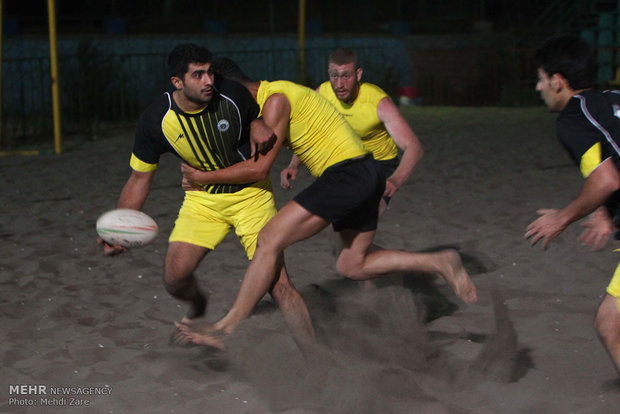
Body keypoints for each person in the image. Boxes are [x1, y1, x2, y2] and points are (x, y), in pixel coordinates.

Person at [175, 58, 477, 349]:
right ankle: (439, 261)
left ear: (235, 90)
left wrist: (202, 177)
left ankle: (226, 329)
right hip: (365, 173)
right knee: (352, 264)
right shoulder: (271, 99)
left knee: (268, 239)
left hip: (346, 174)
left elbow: (258, 169)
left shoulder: (275, 99)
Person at [99, 44, 314, 348]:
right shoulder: (155, 121)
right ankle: (199, 306)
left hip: (251, 197)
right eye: (197, 75)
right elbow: (138, 179)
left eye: (210, 72)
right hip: (202, 199)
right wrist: (119, 230)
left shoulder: (232, 96)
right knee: (175, 278)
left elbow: (256, 111)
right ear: (177, 82)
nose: (208, 80)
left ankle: (315, 359)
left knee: (279, 286)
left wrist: (256, 122)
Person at [525, 35, 620, 375]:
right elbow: (607, 159)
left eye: (540, 79)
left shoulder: (572, 119)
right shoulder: (612, 99)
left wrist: (562, 219)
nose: (538, 87)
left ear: (558, 81)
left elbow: (607, 180)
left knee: (611, 325)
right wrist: (604, 211)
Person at [280, 47, 423, 217]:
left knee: (358, 227)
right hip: (346, 166)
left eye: (346, 76)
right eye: (334, 75)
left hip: (380, 167)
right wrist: (293, 165)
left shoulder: (378, 103)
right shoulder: (323, 94)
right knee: (344, 236)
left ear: (358, 74)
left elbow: (414, 147)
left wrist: (394, 181)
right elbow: (310, 134)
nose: (339, 84)